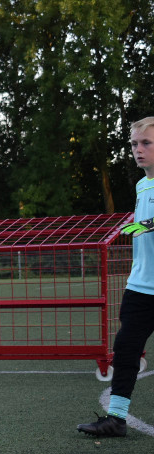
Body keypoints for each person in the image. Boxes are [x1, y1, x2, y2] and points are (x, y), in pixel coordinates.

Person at [78, 116, 154, 436]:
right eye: (134, 144)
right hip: (140, 286)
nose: (138, 149)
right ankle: (116, 419)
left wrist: (147, 225)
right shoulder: (141, 184)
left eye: (146, 143)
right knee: (125, 349)